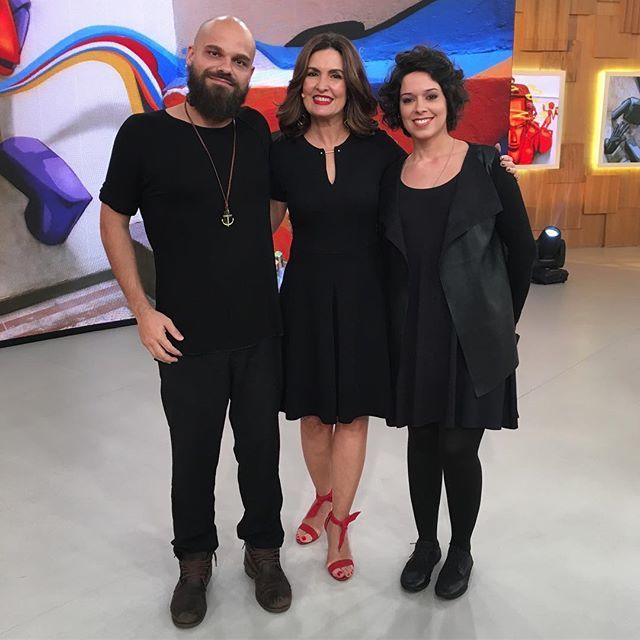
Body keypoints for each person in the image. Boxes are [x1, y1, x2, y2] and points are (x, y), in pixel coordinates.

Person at [269, 34, 519, 582]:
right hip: (307, 298)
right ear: (301, 82)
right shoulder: (280, 151)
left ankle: (341, 526)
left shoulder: (382, 153)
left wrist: (496, 171)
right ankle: (325, 498)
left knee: (355, 416)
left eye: (336, 74)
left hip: (366, 299)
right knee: (313, 415)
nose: (324, 85)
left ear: (351, 84)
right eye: (314, 73)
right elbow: (262, 224)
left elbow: (439, 203)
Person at [99, 16, 291, 627]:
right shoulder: (144, 135)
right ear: (191, 55)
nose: (225, 68)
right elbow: (112, 220)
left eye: (239, 61)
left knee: (261, 451)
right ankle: (194, 562)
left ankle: (264, 551)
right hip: (185, 337)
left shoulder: (255, 129)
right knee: (193, 457)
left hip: (260, 329)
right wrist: (141, 310)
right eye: (215, 54)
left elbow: (273, 203)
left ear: (249, 73)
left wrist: (247, 250)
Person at [377, 46, 536, 599]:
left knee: (458, 449)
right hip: (413, 333)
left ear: (448, 100)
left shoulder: (488, 167)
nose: (420, 108)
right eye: (408, 99)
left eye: (430, 96)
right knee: (422, 443)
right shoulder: (391, 176)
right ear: (397, 109)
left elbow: (523, 252)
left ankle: (461, 549)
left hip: (473, 335)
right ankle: (426, 544)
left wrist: (501, 322)